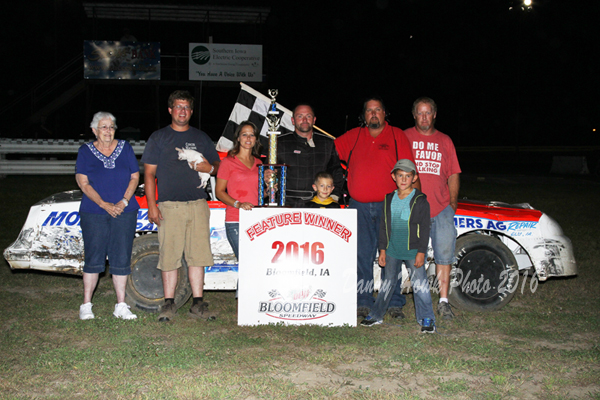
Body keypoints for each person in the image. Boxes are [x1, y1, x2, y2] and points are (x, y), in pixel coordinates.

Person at [141, 90, 220, 322]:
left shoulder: (201, 137)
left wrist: (211, 169)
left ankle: (197, 304)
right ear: (170, 110)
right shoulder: (158, 137)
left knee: (198, 256)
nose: (182, 111)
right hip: (169, 206)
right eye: (178, 107)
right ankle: (169, 304)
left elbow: (216, 164)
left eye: (186, 107)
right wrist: (152, 205)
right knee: (169, 256)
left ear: (191, 112)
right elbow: (149, 173)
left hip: (197, 204)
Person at [335, 97, 418, 318]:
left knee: (392, 254)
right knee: (361, 254)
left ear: (384, 114)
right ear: (364, 115)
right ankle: (363, 299)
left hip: (390, 206)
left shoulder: (397, 135)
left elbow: (410, 170)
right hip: (358, 206)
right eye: (369, 111)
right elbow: (329, 152)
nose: (373, 114)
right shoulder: (353, 136)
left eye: (378, 110)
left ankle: (393, 301)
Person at [76, 111, 140, 321]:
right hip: (94, 211)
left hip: (124, 211)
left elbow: (134, 176)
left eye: (111, 127)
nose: (108, 131)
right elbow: (83, 182)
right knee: (94, 257)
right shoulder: (85, 151)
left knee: (121, 256)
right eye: (103, 127)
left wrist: (123, 201)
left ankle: (121, 305)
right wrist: (104, 204)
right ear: (94, 130)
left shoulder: (125, 148)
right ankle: (86, 305)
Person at [360, 159, 435, 333]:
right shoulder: (388, 199)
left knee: (420, 284)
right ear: (393, 176)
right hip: (392, 249)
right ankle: (377, 315)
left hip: (413, 250)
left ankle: (427, 318)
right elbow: (384, 226)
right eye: (400, 175)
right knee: (388, 283)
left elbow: (425, 228)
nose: (403, 179)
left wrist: (421, 252)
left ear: (414, 178)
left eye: (408, 176)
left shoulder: (420, 200)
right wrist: (383, 250)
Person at [404, 97, 461, 320]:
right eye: (420, 113)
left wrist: (452, 204)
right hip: (413, 209)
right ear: (414, 115)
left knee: (444, 255)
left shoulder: (445, 141)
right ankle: (418, 298)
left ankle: (444, 302)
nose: (424, 117)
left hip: (441, 208)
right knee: (409, 255)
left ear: (435, 115)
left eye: (428, 113)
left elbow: (453, 173)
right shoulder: (405, 137)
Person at [274, 104, 345, 208]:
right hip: (286, 205)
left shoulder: (327, 143)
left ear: (314, 120)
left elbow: (336, 172)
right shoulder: (279, 143)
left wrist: (334, 196)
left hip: (318, 205)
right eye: (300, 116)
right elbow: (268, 172)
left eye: (308, 116)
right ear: (293, 120)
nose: (304, 120)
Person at [215, 121, 262, 261]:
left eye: (252, 135)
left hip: (256, 219)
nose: (248, 138)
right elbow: (219, 192)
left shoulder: (259, 163)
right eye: (244, 135)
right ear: (238, 138)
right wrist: (238, 204)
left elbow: (258, 193)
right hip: (236, 219)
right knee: (246, 262)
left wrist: (271, 189)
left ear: (256, 139)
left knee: (255, 263)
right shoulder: (228, 162)